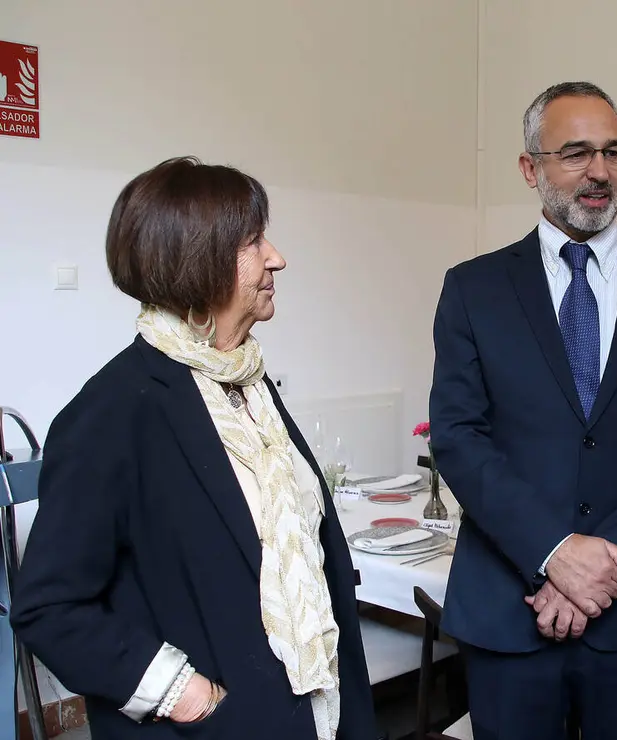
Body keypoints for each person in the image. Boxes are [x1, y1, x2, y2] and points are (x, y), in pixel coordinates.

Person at [11, 157, 380, 740]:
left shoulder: (244, 382)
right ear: (198, 261)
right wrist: (186, 695)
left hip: (314, 716)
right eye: (254, 241)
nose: (276, 257)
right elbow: (51, 610)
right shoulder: (111, 413)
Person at [430, 81, 617, 739]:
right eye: (576, 153)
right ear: (531, 168)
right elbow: (457, 436)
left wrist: (602, 563)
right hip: (509, 612)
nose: (599, 172)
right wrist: (553, 551)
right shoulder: (473, 290)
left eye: (613, 152)